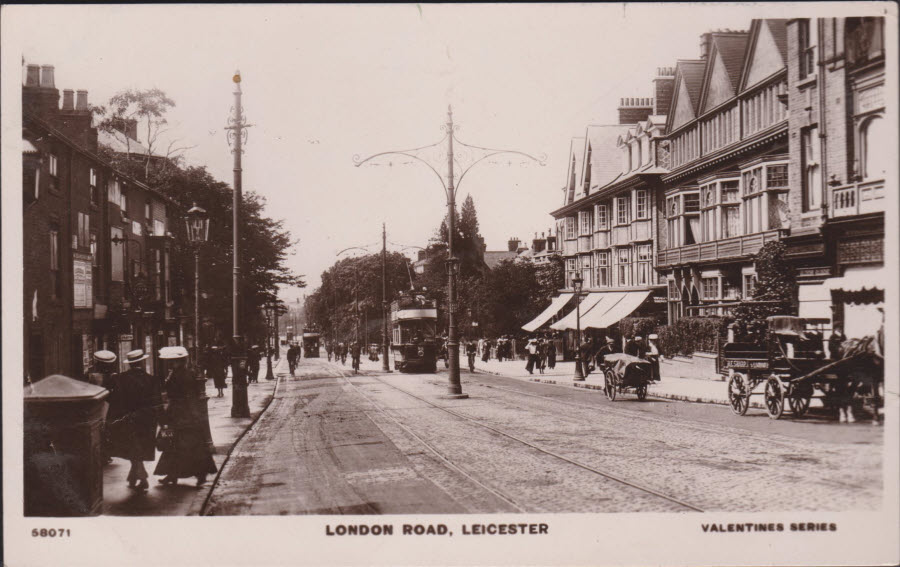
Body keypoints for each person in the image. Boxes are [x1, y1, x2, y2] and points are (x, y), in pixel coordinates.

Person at [154, 346, 218, 487]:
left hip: (178, 414)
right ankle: (185, 474)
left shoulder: (177, 375)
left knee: (175, 444)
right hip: (188, 413)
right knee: (191, 445)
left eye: (173, 361)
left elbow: (171, 393)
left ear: (177, 361)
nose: (171, 364)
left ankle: (174, 474)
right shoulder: (188, 373)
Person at [106, 349, 162, 492]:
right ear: (142, 362)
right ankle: (138, 476)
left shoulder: (119, 379)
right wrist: (162, 421)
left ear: (130, 364)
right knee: (140, 448)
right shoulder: (151, 379)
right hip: (146, 420)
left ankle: (139, 477)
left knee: (132, 447)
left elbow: (113, 400)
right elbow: (157, 402)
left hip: (127, 419)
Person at [88, 350, 117, 463]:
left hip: (97, 406)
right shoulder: (114, 376)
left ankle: (101, 453)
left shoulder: (93, 377)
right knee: (107, 428)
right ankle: (107, 453)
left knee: (99, 428)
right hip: (110, 405)